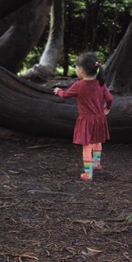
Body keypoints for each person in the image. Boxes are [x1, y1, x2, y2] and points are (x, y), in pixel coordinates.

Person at [54, 52, 113, 182]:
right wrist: (107, 108)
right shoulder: (100, 84)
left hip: (86, 120)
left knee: (87, 145)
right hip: (99, 118)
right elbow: (110, 98)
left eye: (76, 67)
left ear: (81, 70)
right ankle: (97, 164)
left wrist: (58, 91)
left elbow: (65, 95)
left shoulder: (79, 85)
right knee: (97, 141)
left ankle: (88, 173)